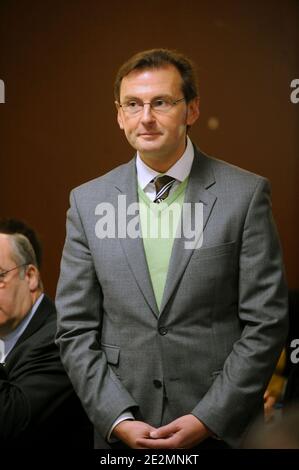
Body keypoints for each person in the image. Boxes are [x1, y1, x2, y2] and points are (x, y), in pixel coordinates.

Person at [55, 49, 288, 449]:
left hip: (220, 430)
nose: (146, 117)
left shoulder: (245, 195)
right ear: (119, 115)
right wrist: (117, 417)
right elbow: (74, 329)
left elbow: (266, 322)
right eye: (133, 104)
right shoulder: (87, 202)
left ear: (192, 110)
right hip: (122, 430)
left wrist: (208, 418)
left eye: (161, 102)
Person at [0, 218, 93, 448]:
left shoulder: (61, 337)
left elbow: (8, 422)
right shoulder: (7, 334)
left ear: (30, 276)